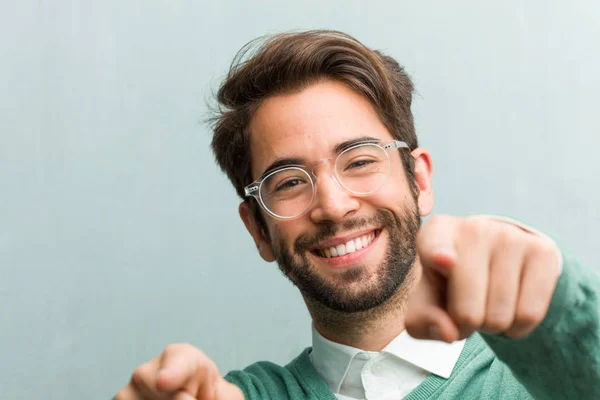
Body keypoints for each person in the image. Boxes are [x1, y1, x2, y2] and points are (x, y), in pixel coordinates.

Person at [113, 30, 600, 400]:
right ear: (257, 229)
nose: (333, 205)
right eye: (288, 182)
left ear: (420, 180)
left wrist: (562, 305)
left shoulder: (544, 380)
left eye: (361, 160)